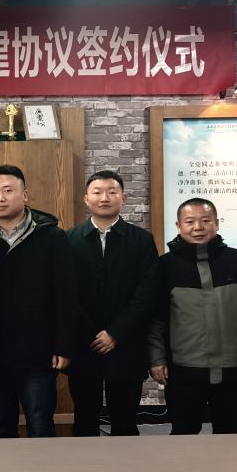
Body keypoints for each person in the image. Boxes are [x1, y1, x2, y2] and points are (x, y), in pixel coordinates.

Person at [0, 164, 77, 438]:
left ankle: (42, 469)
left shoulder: (52, 237)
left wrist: (63, 344)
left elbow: (66, 295)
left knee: (40, 425)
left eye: (7, 191)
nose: (0, 198)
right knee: (1, 426)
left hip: (38, 353)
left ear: (25, 195)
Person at [148, 198, 237, 434]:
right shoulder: (164, 266)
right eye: (190, 221)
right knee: (183, 436)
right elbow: (155, 320)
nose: (198, 227)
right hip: (183, 370)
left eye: (205, 221)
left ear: (217, 223)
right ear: (178, 226)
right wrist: (156, 359)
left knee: (231, 436)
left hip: (234, 368)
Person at [66, 170, 159, 436]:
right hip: (84, 344)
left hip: (127, 343)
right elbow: (66, 293)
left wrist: (116, 333)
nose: (104, 198)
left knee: (125, 419)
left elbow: (148, 293)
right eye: (97, 192)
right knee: (85, 418)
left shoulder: (141, 240)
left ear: (123, 198)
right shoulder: (69, 239)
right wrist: (91, 333)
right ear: (86, 199)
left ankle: (126, 463)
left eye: (112, 192)